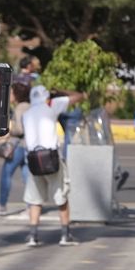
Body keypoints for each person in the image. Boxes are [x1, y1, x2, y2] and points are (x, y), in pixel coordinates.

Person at [21, 84, 83, 246]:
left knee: (35, 199)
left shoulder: (26, 114)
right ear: (46, 98)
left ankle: (33, 236)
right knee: (61, 196)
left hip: (33, 159)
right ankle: (65, 235)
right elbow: (79, 96)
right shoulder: (52, 106)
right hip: (51, 158)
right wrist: (61, 91)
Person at [0, 80, 31, 216]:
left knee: (6, 173)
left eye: (11, 92)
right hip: (26, 146)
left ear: (17, 94)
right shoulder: (28, 106)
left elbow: (20, 130)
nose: (9, 95)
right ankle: (31, 207)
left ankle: (1, 204)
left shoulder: (21, 108)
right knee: (26, 175)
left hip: (18, 146)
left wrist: (4, 135)